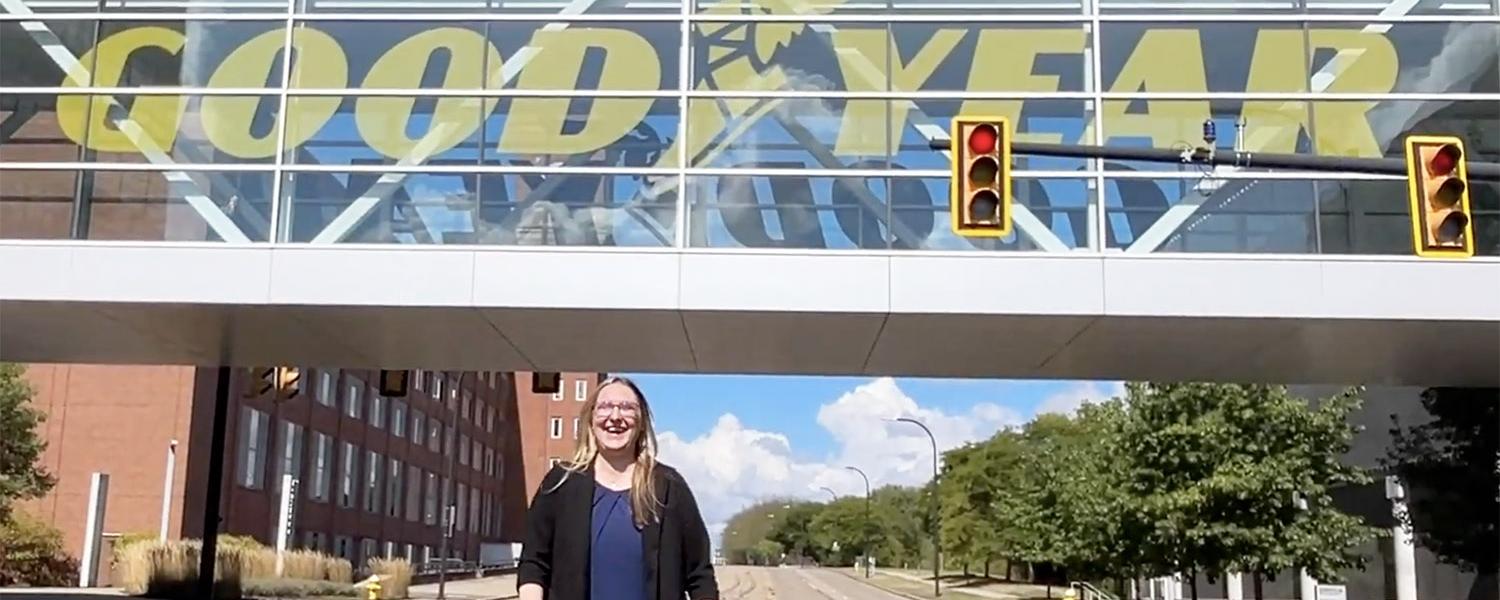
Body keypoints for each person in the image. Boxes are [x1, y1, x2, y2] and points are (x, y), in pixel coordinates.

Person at [518, 375, 719, 600]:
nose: (615, 416)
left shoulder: (669, 487)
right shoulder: (561, 483)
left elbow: (700, 575)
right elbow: (534, 563)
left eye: (626, 408)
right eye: (605, 407)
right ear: (591, 420)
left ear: (641, 421)